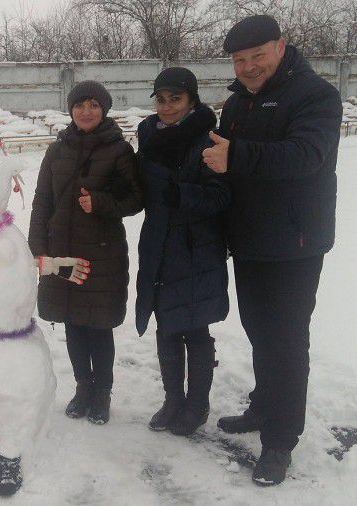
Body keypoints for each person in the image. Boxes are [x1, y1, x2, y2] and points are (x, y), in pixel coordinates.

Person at [202, 15, 342, 486]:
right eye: (240, 60)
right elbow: (228, 159)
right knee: (260, 330)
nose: (248, 66)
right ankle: (264, 407)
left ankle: (281, 439)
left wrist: (235, 155)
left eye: (257, 55)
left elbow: (307, 155)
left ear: (281, 47)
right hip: (251, 240)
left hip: (295, 243)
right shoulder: (240, 101)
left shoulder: (316, 96)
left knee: (285, 340)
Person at [29, 80, 143, 425]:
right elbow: (41, 202)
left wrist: (101, 203)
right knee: (73, 323)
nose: (86, 111)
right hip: (62, 252)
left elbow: (136, 199)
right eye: (80, 105)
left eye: (94, 105)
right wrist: (38, 250)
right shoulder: (56, 150)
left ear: (104, 109)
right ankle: (83, 387)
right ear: (71, 110)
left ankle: (102, 392)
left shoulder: (119, 150)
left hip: (101, 252)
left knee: (98, 325)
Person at [135, 67, 231, 437]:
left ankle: (197, 403)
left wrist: (183, 194)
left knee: (194, 326)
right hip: (158, 243)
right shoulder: (149, 135)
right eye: (161, 99)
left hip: (196, 248)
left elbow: (222, 195)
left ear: (191, 99)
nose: (168, 106)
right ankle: (173, 399)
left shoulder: (209, 139)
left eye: (176, 98)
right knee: (166, 324)